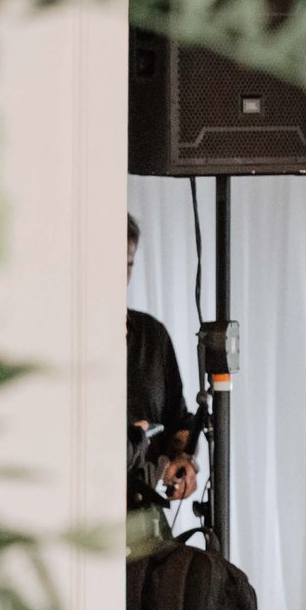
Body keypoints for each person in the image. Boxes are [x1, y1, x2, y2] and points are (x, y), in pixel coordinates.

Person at [125, 212, 200, 524]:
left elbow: (178, 421)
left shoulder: (152, 334)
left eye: (127, 263)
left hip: (142, 518)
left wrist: (184, 458)